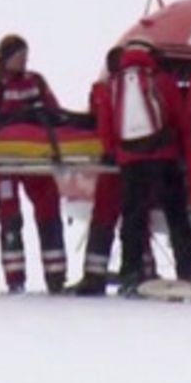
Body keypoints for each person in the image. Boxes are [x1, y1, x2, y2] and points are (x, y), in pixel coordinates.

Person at [102, 37, 191, 296]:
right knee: (177, 216)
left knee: (132, 218)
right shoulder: (161, 79)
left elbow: (107, 124)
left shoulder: (113, 84)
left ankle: (130, 274)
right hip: (164, 156)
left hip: (131, 161)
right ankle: (188, 271)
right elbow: (180, 116)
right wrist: (184, 152)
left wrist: (115, 153)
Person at [0, 34, 67, 294]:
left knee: (49, 209)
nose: (24, 60)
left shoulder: (35, 81)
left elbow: (53, 109)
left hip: (35, 157)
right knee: (10, 217)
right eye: (19, 55)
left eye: (25, 55)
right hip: (5, 161)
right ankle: (15, 277)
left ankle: (55, 275)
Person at [70, 48, 156, 297]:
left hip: (113, 163)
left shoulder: (105, 90)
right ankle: (143, 270)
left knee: (105, 216)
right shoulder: (144, 84)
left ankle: (94, 274)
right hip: (139, 160)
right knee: (138, 215)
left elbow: (102, 122)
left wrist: (109, 149)